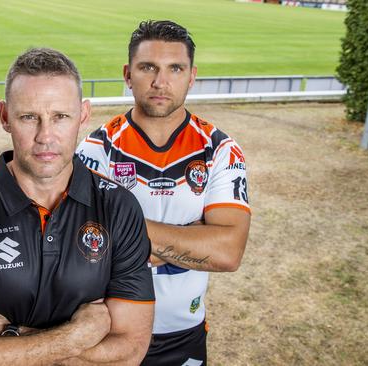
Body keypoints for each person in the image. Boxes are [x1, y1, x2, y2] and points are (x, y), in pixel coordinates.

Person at [0, 47, 155, 365]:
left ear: (84, 115)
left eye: (60, 116)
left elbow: (130, 350)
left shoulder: (119, 207)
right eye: (29, 117)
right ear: (5, 117)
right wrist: (75, 337)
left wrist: (9, 335)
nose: (45, 136)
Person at [77, 20, 251, 366]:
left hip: (183, 333)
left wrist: (126, 234)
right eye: (148, 68)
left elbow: (228, 253)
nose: (160, 81)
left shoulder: (219, 150)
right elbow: (83, 248)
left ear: (192, 75)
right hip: (111, 333)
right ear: (128, 74)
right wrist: (196, 235)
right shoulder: (96, 149)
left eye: (175, 68)